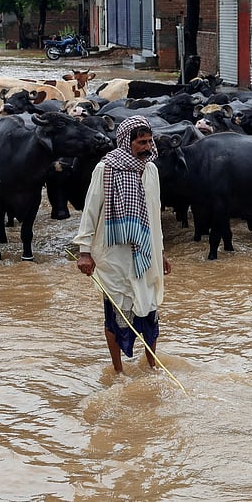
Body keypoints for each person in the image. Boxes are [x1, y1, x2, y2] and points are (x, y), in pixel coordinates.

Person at [73, 115, 172, 374]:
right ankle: (118, 371)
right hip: (113, 254)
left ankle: (152, 365)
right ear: (127, 141)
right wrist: (84, 252)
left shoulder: (151, 170)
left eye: (149, 141)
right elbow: (90, 211)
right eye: (141, 142)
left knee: (149, 311)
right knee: (116, 313)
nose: (147, 147)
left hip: (145, 252)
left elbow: (154, 213)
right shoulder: (105, 168)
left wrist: (160, 253)